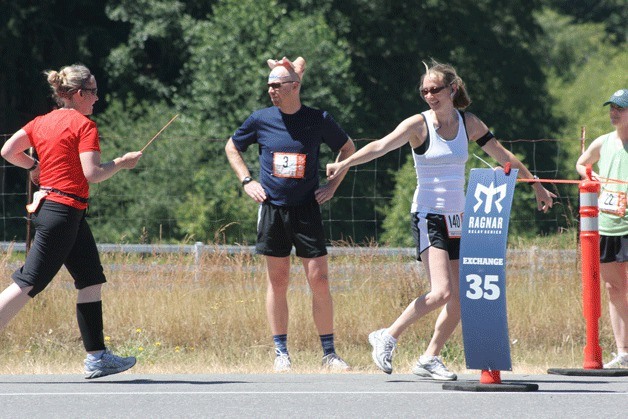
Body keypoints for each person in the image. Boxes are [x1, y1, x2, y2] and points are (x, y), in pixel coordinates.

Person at [327, 59, 555, 380]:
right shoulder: (417, 125)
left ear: (452, 88)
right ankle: (387, 336)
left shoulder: (469, 123)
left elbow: (504, 156)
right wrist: (345, 163)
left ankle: (429, 358)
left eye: (435, 89)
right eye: (424, 91)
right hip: (428, 216)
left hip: (458, 218)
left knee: (460, 298)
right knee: (441, 292)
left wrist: (537, 186)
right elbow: (379, 146)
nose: (429, 95)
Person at [0, 64, 142, 378]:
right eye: (92, 91)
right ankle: (97, 357)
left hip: (65, 212)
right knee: (28, 282)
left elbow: (8, 150)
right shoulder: (83, 125)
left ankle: (97, 357)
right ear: (78, 94)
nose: (97, 97)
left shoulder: (42, 121)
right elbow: (94, 173)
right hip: (62, 213)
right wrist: (122, 163)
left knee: (91, 279)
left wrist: (33, 166)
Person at [225, 56, 356, 372]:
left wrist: (332, 185)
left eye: (277, 85)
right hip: (273, 209)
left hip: (307, 208)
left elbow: (348, 148)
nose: (271, 90)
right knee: (278, 280)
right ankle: (281, 352)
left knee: (319, 278)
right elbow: (232, 147)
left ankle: (329, 354)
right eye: (268, 85)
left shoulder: (317, 118)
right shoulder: (260, 119)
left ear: (294, 86)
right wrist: (247, 181)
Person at [576, 88, 628, 369]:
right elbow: (581, 163)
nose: (614, 112)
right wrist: (589, 173)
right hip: (608, 224)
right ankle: (623, 352)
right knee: (613, 287)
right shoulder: (604, 142)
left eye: (620, 108)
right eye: (612, 107)